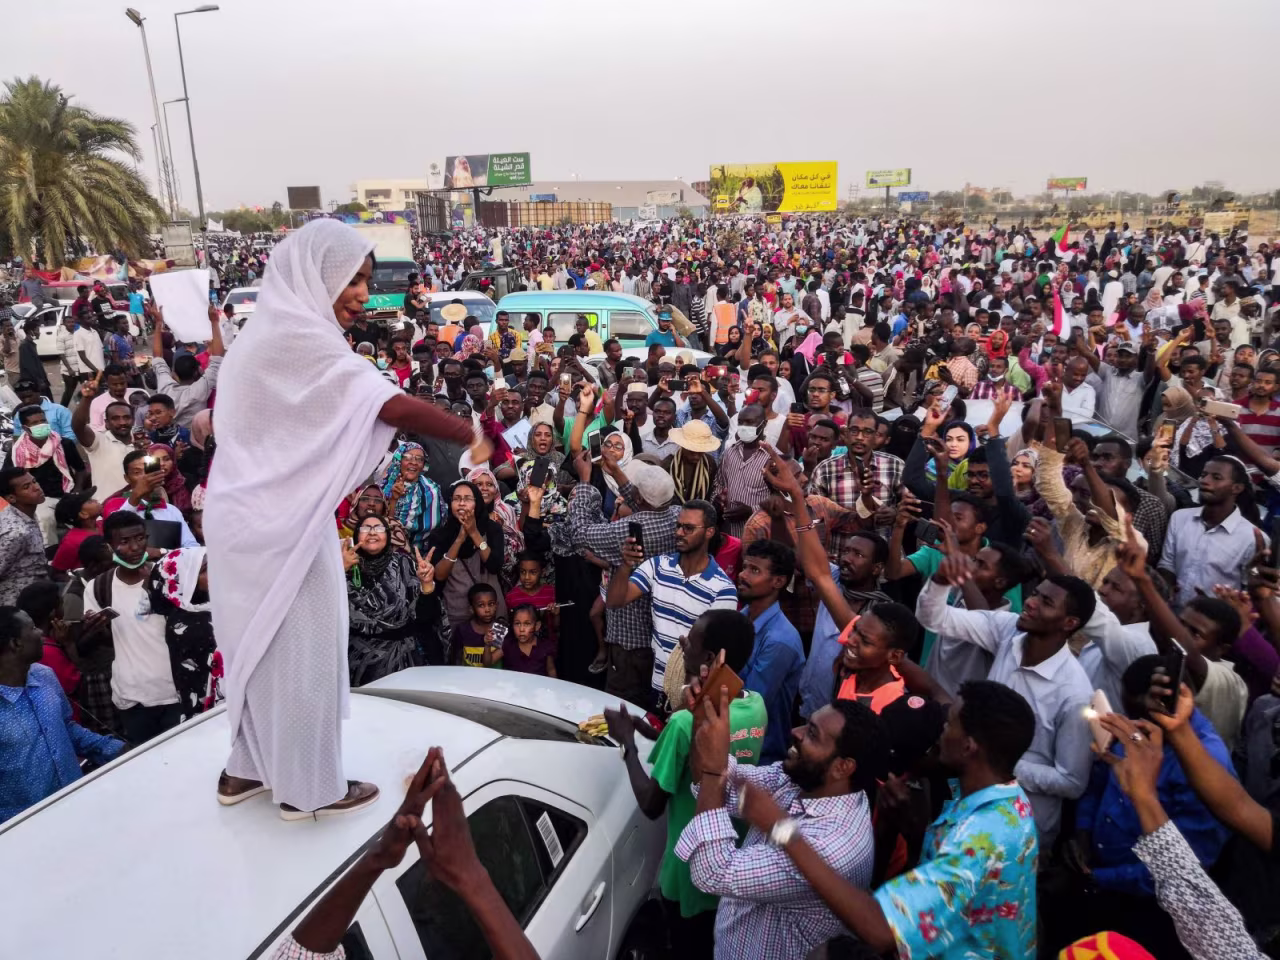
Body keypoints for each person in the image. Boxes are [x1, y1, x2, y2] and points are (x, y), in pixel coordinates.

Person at [205, 220, 488, 819]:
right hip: (277, 528)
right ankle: (309, 791)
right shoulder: (298, 338)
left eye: (366, 278)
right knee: (304, 652)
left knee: (259, 649)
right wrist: (469, 433)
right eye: (351, 279)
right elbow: (382, 402)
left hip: (248, 520)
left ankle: (247, 769)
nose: (362, 292)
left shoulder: (267, 336)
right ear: (315, 276)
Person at [731, 680, 1041, 960]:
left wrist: (781, 829)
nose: (941, 733)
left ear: (969, 746)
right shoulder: (999, 801)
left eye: (949, 726)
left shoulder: (983, 836)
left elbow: (880, 930)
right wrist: (912, 829)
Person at [675, 688, 888, 960]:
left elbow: (712, 871)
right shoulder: (805, 779)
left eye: (812, 734)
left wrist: (714, 769)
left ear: (843, 767)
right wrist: (701, 721)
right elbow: (718, 784)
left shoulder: (830, 847)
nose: (795, 732)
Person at [605, 610, 766, 960]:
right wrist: (659, 733)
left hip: (689, 870)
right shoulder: (755, 706)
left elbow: (651, 804)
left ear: (710, 658)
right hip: (732, 855)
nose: (683, 643)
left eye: (690, 639)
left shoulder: (682, 723)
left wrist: (627, 744)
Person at [917, 552, 1095, 844]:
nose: (1031, 602)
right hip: (967, 802)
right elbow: (935, 619)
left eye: (1046, 603)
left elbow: (1072, 782)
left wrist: (999, 764)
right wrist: (940, 581)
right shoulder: (1007, 628)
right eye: (1035, 594)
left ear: (1069, 623)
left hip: (1019, 829)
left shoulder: (1073, 693)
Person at [0, 605, 125, 824]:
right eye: (32, 628)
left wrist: (114, 749)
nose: (41, 633)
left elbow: (66, 728)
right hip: (27, 829)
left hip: (77, 807)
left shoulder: (45, 676)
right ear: (15, 643)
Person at [607, 498, 738, 699]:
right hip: (654, 684)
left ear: (709, 532)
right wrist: (625, 565)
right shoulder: (658, 566)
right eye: (678, 526)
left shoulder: (723, 589)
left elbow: (716, 655)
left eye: (688, 528)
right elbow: (615, 602)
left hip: (690, 692)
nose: (679, 533)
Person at [84, 511, 182, 744]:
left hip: (175, 691)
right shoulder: (98, 587)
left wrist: (155, 592)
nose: (135, 547)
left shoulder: (168, 576)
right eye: (124, 542)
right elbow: (108, 642)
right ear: (110, 546)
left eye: (140, 538)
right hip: (132, 696)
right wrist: (97, 629)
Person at [735, 539, 805, 764]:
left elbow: (750, 706)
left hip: (760, 755)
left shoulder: (780, 640)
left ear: (778, 581)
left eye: (754, 570)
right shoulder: (740, 618)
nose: (743, 575)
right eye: (745, 567)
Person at [343, 515, 434, 685]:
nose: (372, 533)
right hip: (357, 662)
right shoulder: (345, 566)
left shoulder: (404, 564)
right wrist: (339, 572)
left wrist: (426, 584)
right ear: (356, 535)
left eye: (378, 528)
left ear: (388, 535)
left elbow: (425, 618)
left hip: (401, 662)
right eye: (365, 528)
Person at [146, 546, 220, 721]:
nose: (214, 572)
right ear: (184, 580)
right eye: (203, 570)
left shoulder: (210, 607)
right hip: (211, 713)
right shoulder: (188, 625)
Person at [427, 479, 507, 631]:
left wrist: (474, 533)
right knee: (460, 653)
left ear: (477, 502)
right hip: (456, 613)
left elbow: (494, 566)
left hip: (492, 611)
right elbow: (439, 575)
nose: (462, 503)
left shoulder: (492, 529)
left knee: (496, 651)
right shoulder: (441, 535)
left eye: (468, 499)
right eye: (456, 499)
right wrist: (459, 539)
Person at [147, 305, 223, 427]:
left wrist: (158, 324)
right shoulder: (200, 390)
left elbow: (157, 358)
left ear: (175, 375)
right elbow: (217, 359)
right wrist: (214, 322)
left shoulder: (165, 388)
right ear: (198, 371)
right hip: (195, 442)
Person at [71, 373, 135, 499]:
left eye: (126, 417)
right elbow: (78, 427)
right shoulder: (98, 442)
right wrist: (87, 399)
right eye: (115, 419)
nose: (122, 422)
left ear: (133, 420)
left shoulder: (142, 442)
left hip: (140, 508)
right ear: (106, 423)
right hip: (107, 510)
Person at [380, 441, 443, 549]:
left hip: (418, 554)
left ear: (424, 464)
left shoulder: (431, 491)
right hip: (381, 549)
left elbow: (434, 525)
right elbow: (379, 523)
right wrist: (394, 500)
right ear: (398, 460)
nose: (414, 462)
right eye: (408, 457)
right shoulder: (384, 487)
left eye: (419, 459)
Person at [0, 468, 47, 605]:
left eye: (34, 481)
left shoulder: (27, 513)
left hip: (38, 585)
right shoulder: (16, 532)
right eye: (27, 487)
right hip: (18, 602)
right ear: (11, 498)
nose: (37, 487)